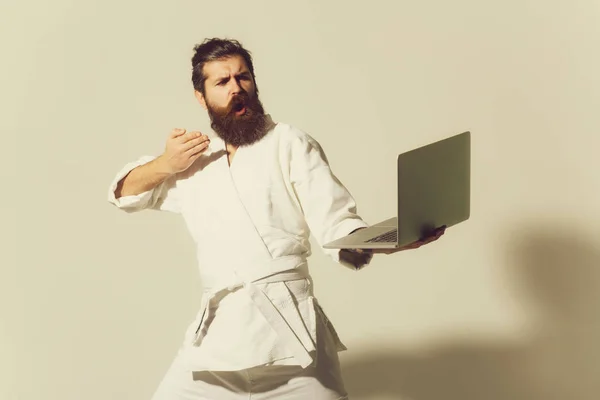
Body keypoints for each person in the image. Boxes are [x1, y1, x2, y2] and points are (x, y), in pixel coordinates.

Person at [107, 38, 445, 400]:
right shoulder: (196, 160)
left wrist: (393, 237)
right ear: (201, 97)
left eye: (244, 77)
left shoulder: (289, 142)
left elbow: (338, 226)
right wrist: (165, 164)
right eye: (222, 82)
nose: (237, 89)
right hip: (216, 343)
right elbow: (124, 193)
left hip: (291, 338)